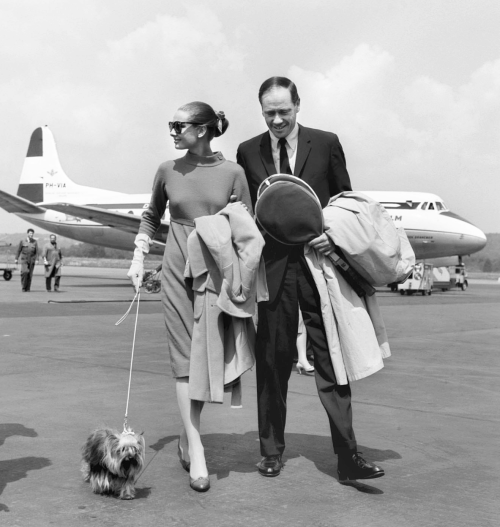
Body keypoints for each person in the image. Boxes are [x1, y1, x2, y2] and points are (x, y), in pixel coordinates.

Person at [236, 76, 385, 481]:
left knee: (330, 357)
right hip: (273, 269)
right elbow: (250, 210)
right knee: (272, 360)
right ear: (261, 111)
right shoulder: (248, 151)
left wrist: (330, 235)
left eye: (285, 111)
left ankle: (348, 457)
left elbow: (345, 201)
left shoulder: (327, 142)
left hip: (319, 265)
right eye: (270, 113)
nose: (278, 120)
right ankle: (270, 451)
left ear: (298, 105)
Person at [127, 102, 254, 493]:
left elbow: (245, 226)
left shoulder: (233, 173)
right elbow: (152, 214)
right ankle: (196, 448)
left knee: (203, 357)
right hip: (174, 266)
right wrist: (138, 255)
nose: (172, 131)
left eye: (178, 125)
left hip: (215, 272)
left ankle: (187, 434)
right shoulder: (167, 170)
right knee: (183, 358)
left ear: (202, 129)